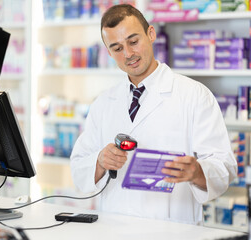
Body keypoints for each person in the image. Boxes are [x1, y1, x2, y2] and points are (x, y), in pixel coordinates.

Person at [70, 4, 237, 225]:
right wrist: (100, 161)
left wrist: (196, 171)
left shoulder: (194, 95)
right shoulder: (103, 103)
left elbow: (225, 167)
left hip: (173, 230)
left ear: (151, 34)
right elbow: (79, 165)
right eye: (117, 48)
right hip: (114, 229)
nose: (128, 54)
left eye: (133, 41)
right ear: (109, 52)